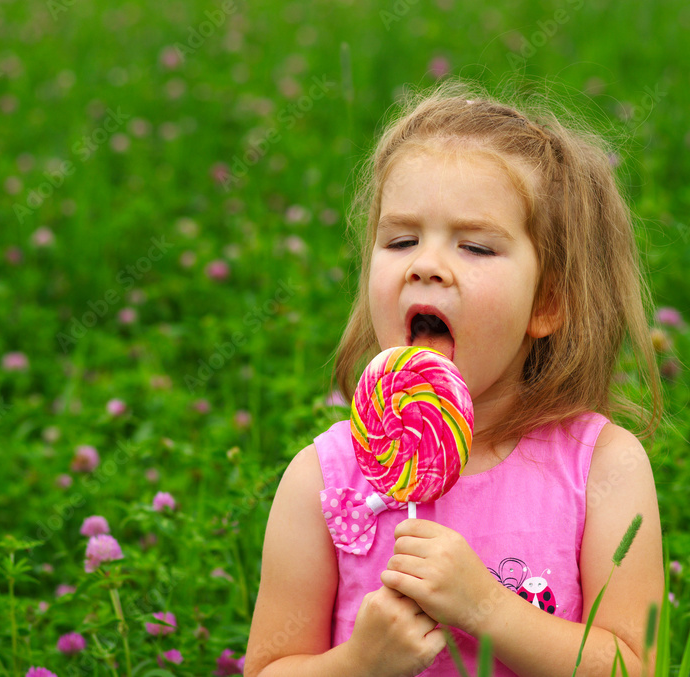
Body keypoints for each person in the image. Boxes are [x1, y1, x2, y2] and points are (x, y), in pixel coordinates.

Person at [245, 77, 665, 677]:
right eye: (402, 239)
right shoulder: (324, 478)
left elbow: (635, 665)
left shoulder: (602, 468)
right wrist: (361, 664)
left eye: (474, 247)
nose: (426, 266)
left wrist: (486, 607)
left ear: (547, 302)